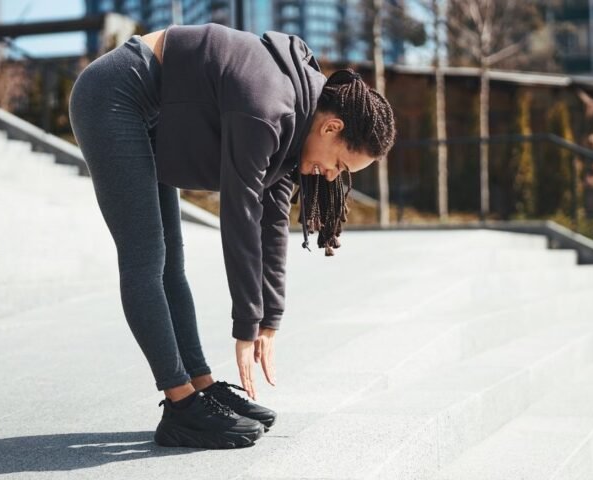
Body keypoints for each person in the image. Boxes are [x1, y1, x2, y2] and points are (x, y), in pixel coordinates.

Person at [68, 22, 396, 450]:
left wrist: (269, 318)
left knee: (172, 262)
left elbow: (273, 217)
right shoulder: (268, 106)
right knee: (146, 259)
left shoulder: (300, 124)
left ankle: (199, 385)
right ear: (332, 128)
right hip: (113, 96)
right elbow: (239, 214)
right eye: (340, 165)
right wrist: (245, 324)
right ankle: (181, 404)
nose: (333, 176)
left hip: (157, 115)